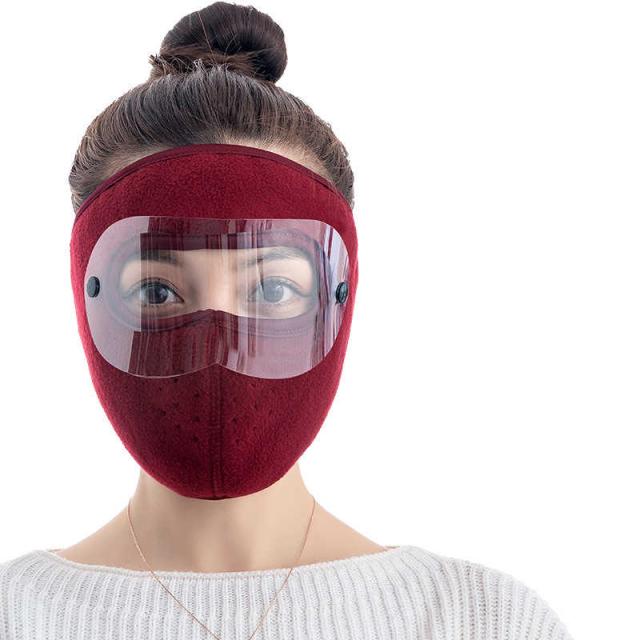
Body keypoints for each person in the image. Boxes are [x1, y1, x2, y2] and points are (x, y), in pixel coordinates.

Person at [0, 3, 574, 639]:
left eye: (272, 288)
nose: (217, 344)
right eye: (157, 292)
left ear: (336, 300)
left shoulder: (483, 621)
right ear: (88, 300)